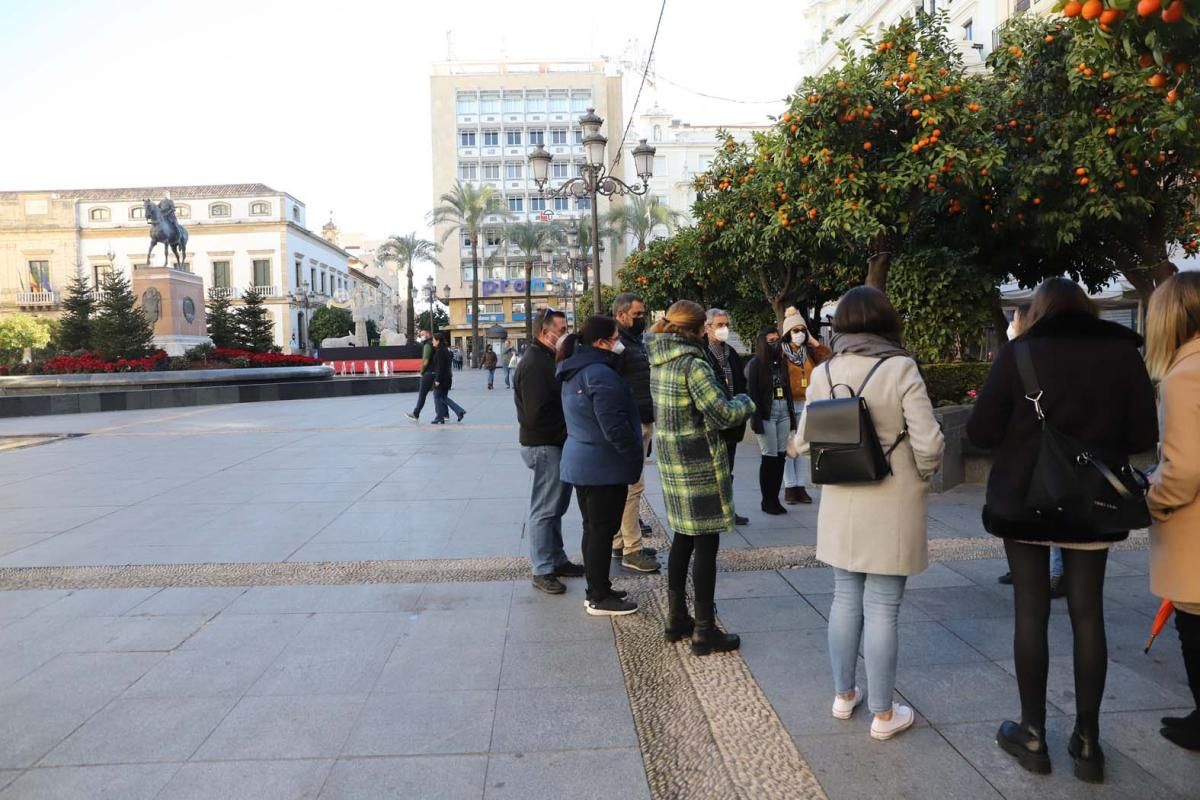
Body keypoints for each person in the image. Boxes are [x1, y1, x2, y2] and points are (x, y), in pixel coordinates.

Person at [967, 278, 1157, 782]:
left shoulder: (1019, 354)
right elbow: (1143, 436)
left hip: (1024, 500)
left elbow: (980, 433)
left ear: (1038, 311)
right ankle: (1088, 743)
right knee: (1087, 613)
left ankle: (1032, 735)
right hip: (1093, 502)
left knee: (1029, 610)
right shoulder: (1121, 355)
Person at [793, 286, 945, 741]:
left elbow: (803, 439)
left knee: (844, 597)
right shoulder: (900, 367)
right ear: (886, 321)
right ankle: (883, 714)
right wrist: (920, 474)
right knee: (883, 606)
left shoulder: (825, 370)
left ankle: (843, 695)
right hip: (891, 499)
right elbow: (931, 443)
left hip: (842, 497)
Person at [649, 301, 756, 654]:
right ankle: (704, 629)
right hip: (698, 462)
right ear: (698, 330)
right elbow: (723, 413)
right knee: (706, 544)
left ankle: (676, 618)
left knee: (683, 537)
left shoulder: (659, 361)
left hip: (672, 461)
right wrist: (746, 400)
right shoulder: (693, 365)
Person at [1145, 271, 1200, 751]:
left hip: (1195, 532)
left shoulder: (1185, 376)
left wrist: (1151, 499)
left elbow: (1182, 471)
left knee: (1194, 624)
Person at [557, 315, 644, 616]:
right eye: (616, 336)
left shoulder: (577, 368)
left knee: (595, 528)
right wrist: (634, 456)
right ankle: (597, 596)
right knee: (600, 530)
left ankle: (599, 587)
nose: (620, 342)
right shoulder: (599, 373)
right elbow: (614, 427)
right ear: (601, 342)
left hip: (586, 462)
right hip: (602, 465)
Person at [995, 304, 1066, 596]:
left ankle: (1054, 572)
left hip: (1035, 446)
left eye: (1015, 319)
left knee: (1044, 507)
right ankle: (1038, 568)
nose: (1012, 323)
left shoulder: (1020, 356)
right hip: (1045, 444)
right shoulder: (1050, 355)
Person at [514, 308, 585, 595]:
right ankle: (542, 569)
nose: (567, 333)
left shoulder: (547, 358)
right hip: (544, 445)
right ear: (545, 333)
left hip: (555, 444)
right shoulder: (534, 364)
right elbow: (535, 414)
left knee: (555, 506)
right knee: (544, 509)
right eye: (563, 328)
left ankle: (556, 559)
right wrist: (567, 430)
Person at [611, 292, 660, 573]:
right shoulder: (619, 345)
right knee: (633, 487)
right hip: (631, 422)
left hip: (641, 419)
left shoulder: (633, 341)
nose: (642, 319)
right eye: (638, 315)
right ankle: (632, 548)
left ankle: (620, 540)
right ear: (621, 316)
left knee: (628, 487)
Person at [779, 307, 832, 505]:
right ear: (787, 333)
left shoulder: (808, 352)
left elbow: (830, 360)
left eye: (802, 330)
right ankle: (789, 486)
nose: (799, 334)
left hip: (808, 403)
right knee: (788, 445)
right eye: (795, 330)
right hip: (787, 404)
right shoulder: (782, 354)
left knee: (801, 445)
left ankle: (800, 486)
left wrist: (813, 340)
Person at [703, 308, 750, 527]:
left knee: (728, 467)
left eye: (726, 325)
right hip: (712, 419)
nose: (724, 329)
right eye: (719, 325)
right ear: (707, 327)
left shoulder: (731, 353)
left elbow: (741, 383)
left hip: (732, 418)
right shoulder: (702, 353)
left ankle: (727, 509)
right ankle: (712, 510)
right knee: (712, 469)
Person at [745, 325, 794, 515]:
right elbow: (753, 394)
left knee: (781, 457)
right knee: (769, 457)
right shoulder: (756, 364)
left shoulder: (782, 362)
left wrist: (791, 416)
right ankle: (768, 500)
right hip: (767, 414)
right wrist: (756, 419)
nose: (775, 344)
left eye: (777, 340)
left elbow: (787, 389)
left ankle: (775, 498)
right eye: (771, 341)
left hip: (783, 412)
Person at [430, 332, 467, 424]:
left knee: (438, 397)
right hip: (447, 378)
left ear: (438, 341)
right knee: (443, 398)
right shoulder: (446, 351)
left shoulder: (440, 352)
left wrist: (437, 380)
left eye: (433, 340)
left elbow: (440, 367)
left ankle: (440, 417)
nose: (432, 342)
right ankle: (456, 412)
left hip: (441, 379)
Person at [405, 329, 435, 422]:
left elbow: (425, 360)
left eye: (422, 334)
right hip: (436, 372)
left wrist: (421, 372)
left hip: (428, 373)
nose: (420, 336)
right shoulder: (433, 344)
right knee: (440, 395)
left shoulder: (427, 345)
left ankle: (416, 413)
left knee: (422, 394)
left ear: (427, 334)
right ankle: (445, 413)